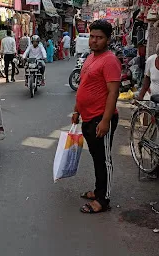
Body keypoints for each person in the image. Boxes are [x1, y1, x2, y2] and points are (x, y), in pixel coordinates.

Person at [72, 20, 121, 214]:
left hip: (101, 118)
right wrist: (76, 110)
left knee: (104, 160)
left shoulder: (110, 61)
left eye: (99, 38)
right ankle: (98, 190)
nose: (94, 41)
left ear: (108, 39)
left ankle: (104, 199)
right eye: (92, 36)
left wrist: (105, 121)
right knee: (96, 157)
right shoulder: (91, 57)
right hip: (88, 117)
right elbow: (83, 86)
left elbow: (113, 93)